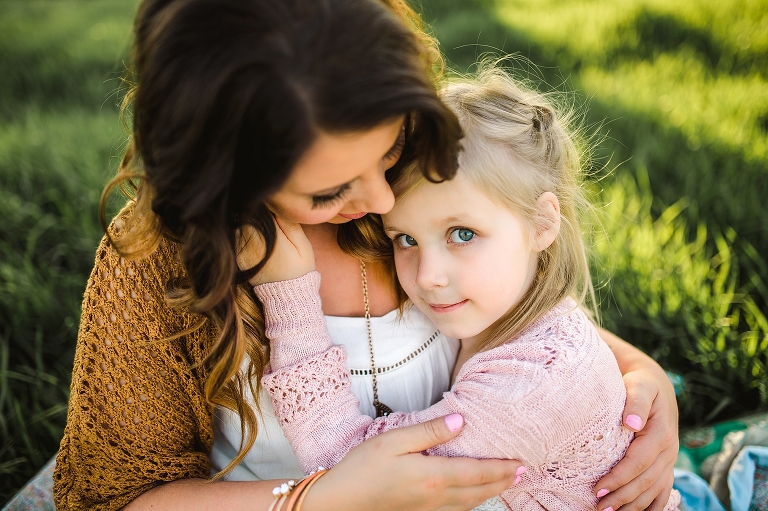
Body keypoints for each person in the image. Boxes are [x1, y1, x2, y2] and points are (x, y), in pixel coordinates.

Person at [53, 0, 678, 510]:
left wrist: (639, 378)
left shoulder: (425, 181)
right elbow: (120, 498)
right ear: (227, 178)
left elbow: (522, 313)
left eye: (390, 151)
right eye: (329, 191)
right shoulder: (157, 274)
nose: (383, 198)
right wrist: (310, 501)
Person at [251, 68, 683, 511]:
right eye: (406, 239)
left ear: (542, 223)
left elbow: (350, 469)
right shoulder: (522, 318)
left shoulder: (528, 389)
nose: (427, 276)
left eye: (462, 234)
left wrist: (288, 292)